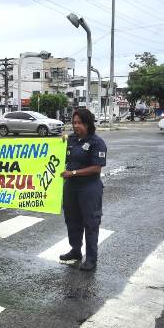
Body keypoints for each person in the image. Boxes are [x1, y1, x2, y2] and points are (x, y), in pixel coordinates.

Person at [60, 108, 107, 271]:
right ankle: (75, 250)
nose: (76, 126)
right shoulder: (71, 140)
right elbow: (60, 156)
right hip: (71, 187)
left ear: (87, 124)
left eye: (79, 123)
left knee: (90, 223)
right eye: (74, 123)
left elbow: (96, 168)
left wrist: (72, 173)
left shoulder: (97, 142)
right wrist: (58, 144)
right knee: (72, 220)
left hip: (89, 188)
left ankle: (92, 259)